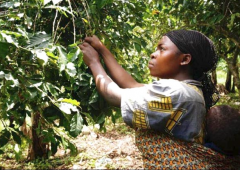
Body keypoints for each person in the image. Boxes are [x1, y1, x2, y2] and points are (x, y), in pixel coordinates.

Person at [79, 29, 240, 168]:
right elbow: (131, 84)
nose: (153, 54)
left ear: (184, 59)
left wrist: (94, 63)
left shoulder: (178, 93)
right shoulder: (186, 91)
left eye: (161, 49)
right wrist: (101, 48)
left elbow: (112, 95)